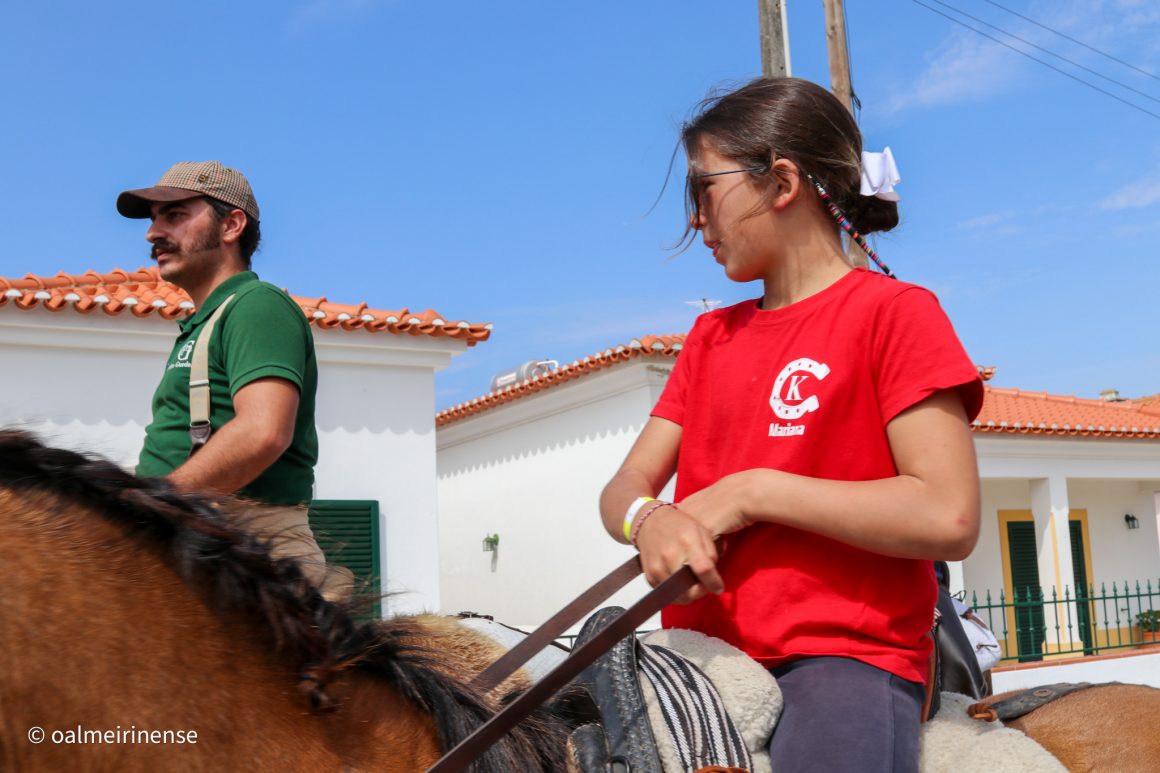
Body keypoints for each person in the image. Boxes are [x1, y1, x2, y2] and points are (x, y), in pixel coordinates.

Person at [599, 78, 984, 773]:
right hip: (700, 654)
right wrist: (647, 519)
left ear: (780, 183)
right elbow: (624, 486)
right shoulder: (708, 338)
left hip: (843, 659)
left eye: (703, 189)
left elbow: (948, 513)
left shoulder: (896, 314)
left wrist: (753, 491)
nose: (697, 219)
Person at [119, 160, 351, 601]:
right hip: (196, 542)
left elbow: (263, 432)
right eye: (153, 219)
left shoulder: (256, 305)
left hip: (252, 550)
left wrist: (157, 504)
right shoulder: (206, 322)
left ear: (231, 225)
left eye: (175, 215)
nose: (152, 233)